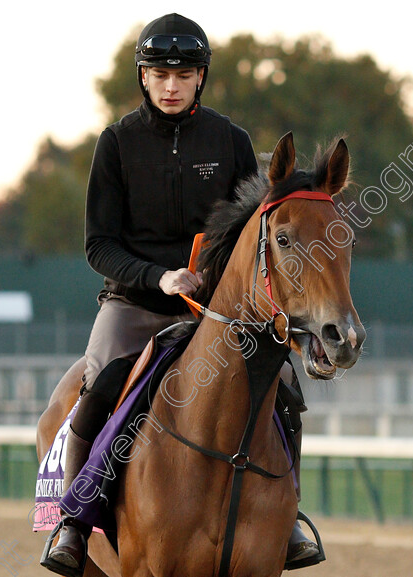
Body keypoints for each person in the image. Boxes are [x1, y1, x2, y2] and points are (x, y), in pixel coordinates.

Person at [42, 13, 321, 577]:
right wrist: (158, 277)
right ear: (143, 78)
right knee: (98, 388)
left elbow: (254, 232)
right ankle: (73, 522)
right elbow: (99, 244)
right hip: (133, 303)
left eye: (184, 74)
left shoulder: (232, 142)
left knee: (286, 385)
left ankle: (285, 517)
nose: (171, 85)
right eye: (160, 74)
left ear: (201, 78)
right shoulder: (116, 143)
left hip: (217, 309)